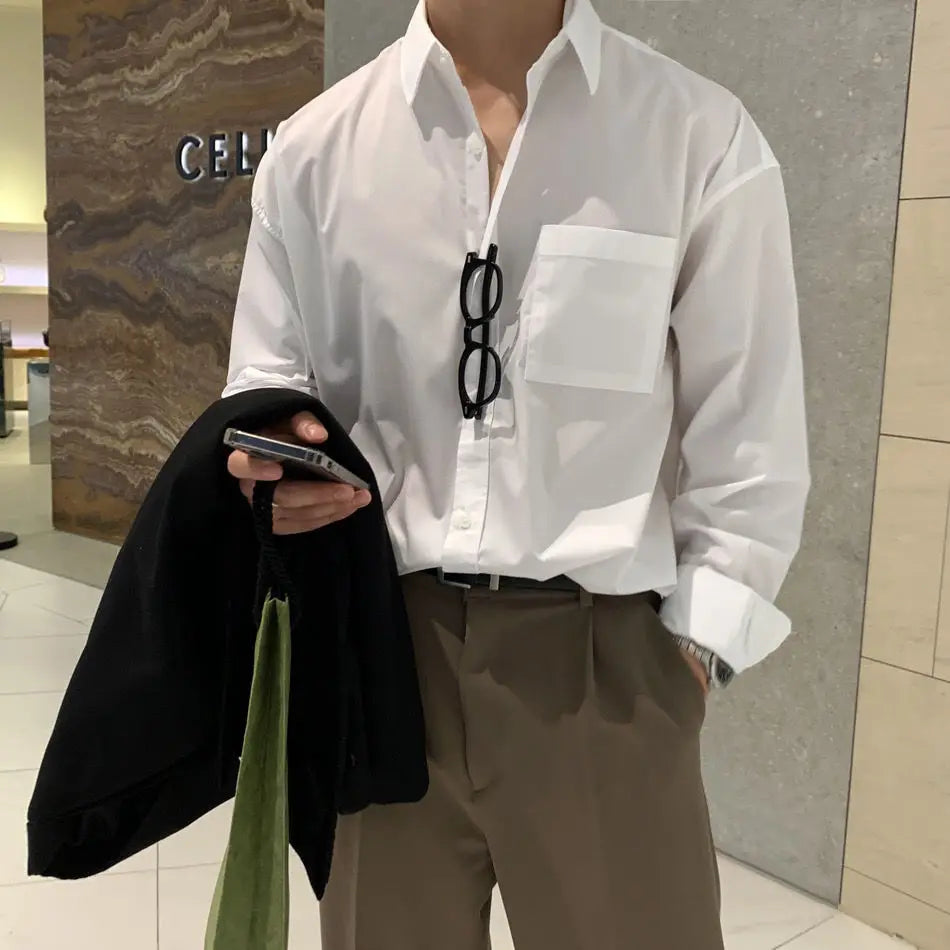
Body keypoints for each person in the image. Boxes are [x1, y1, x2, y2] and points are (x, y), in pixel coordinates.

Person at [223, 0, 810, 946]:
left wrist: (692, 659)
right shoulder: (314, 151)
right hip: (381, 658)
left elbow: (751, 437)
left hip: (604, 666)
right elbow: (261, 391)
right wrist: (270, 476)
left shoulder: (695, 134)